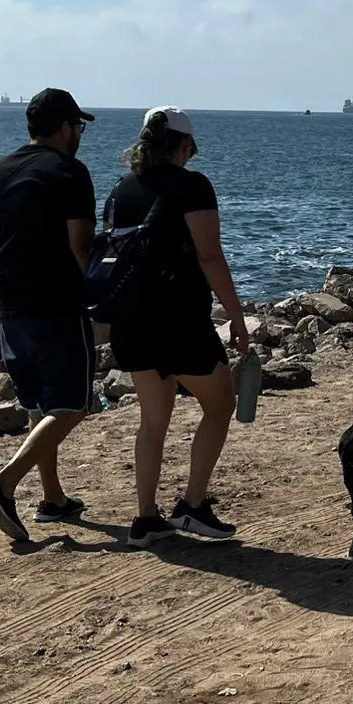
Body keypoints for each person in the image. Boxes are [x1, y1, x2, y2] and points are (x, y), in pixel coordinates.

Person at [105, 106, 250, 548]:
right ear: (184, 145)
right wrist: (236, 314)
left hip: (131, 321)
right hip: (179, 321)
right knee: (220, 404)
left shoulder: (120, 191)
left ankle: (146, 518)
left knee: (153, 420)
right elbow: (209, 256)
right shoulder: (193, 186)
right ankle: (192, 505)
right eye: (191, 147)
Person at [0, 88, 98, 542]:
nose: (79, 134)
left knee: (39, 405)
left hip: (8, 303)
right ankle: (3, 483)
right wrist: (103, 299)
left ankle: (53, 499)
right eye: (78, 127)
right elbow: (80, 246)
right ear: (64, 128)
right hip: (57, 302)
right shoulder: (69, 172)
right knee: (75, 404)